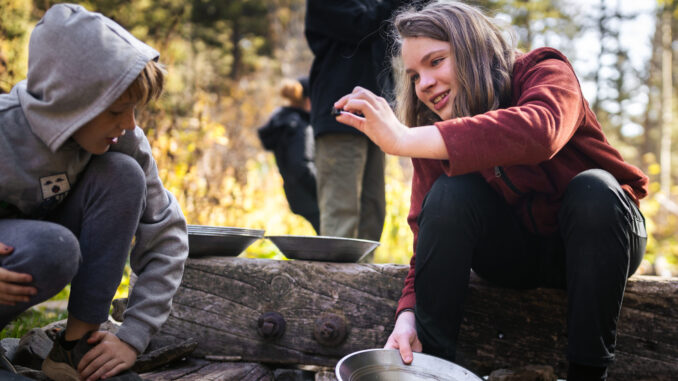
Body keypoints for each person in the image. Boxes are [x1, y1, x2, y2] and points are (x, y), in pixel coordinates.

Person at [333, 1, 648, 380]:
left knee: (592, 189)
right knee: (450, 195)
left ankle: (587, 374)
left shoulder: (544, 70)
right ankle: (428, 371)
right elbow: (428, 238)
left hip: (603, 241)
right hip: (516, 257)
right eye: (414, 75)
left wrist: (403, 137)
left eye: (436, 62)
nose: (425, 84)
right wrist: (407, 316)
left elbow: (540, 131)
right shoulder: (432, 133)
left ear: (472, 48)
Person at [0, 4, 188, 381]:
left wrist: (132, 337)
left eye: (134, 109)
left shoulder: (125, 140)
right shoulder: (5, 129)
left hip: (42, 247)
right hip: (31, 252)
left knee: (123, 175)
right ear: (70, 102)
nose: (131, 123)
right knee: (53, 246)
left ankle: (76, 351)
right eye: (118, 110)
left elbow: (166, 234)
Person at [305, 0, 409, 248]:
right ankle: (334, 284)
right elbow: (364, 26)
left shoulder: (373, 4)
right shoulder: (332, 5)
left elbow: (394, 43)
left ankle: (361, 282)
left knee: (373, 212)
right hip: (339, 116)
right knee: (342, 214)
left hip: (375, 118)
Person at [258, 77, 320, 233]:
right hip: (310, 198)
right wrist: (323, 189)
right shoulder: (300, 127)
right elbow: (301, 165)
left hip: (296, 194)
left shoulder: (285, 122)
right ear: (308, 100)